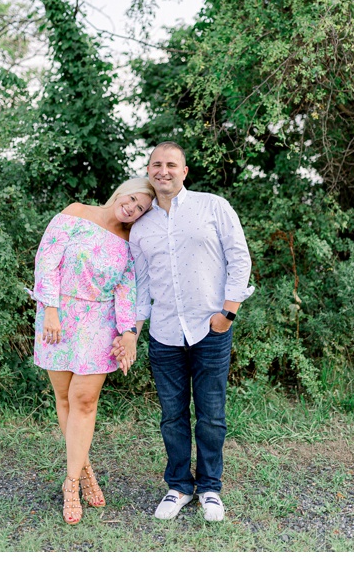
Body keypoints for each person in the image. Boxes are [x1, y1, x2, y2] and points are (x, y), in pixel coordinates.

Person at [116, 141, 254, 523]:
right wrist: (132, 331)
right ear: (149, 170)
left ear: (184, 171)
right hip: (164, 335)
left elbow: (239, 257)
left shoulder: (213, 206)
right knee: (172, 416)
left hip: (210, 329)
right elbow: (141, 285)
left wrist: (228, 313)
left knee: (210, 414)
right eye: (156, 165)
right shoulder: (140, 227)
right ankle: (179, 486)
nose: (163, 171)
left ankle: (210, 488)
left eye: (171, 164)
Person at [30, 177, 154, 525]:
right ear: (121, 191)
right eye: (131, 199)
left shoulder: (129, 244)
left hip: (99, 324)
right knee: (64, 399)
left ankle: (71, 485)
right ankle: (84, 470)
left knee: (85, 400)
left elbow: (126, 293)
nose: (131, 208)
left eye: (140, 209)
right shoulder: (75, 213)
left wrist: (128, 333)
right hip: (58, 317)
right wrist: (50, 310)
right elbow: (46, 262)